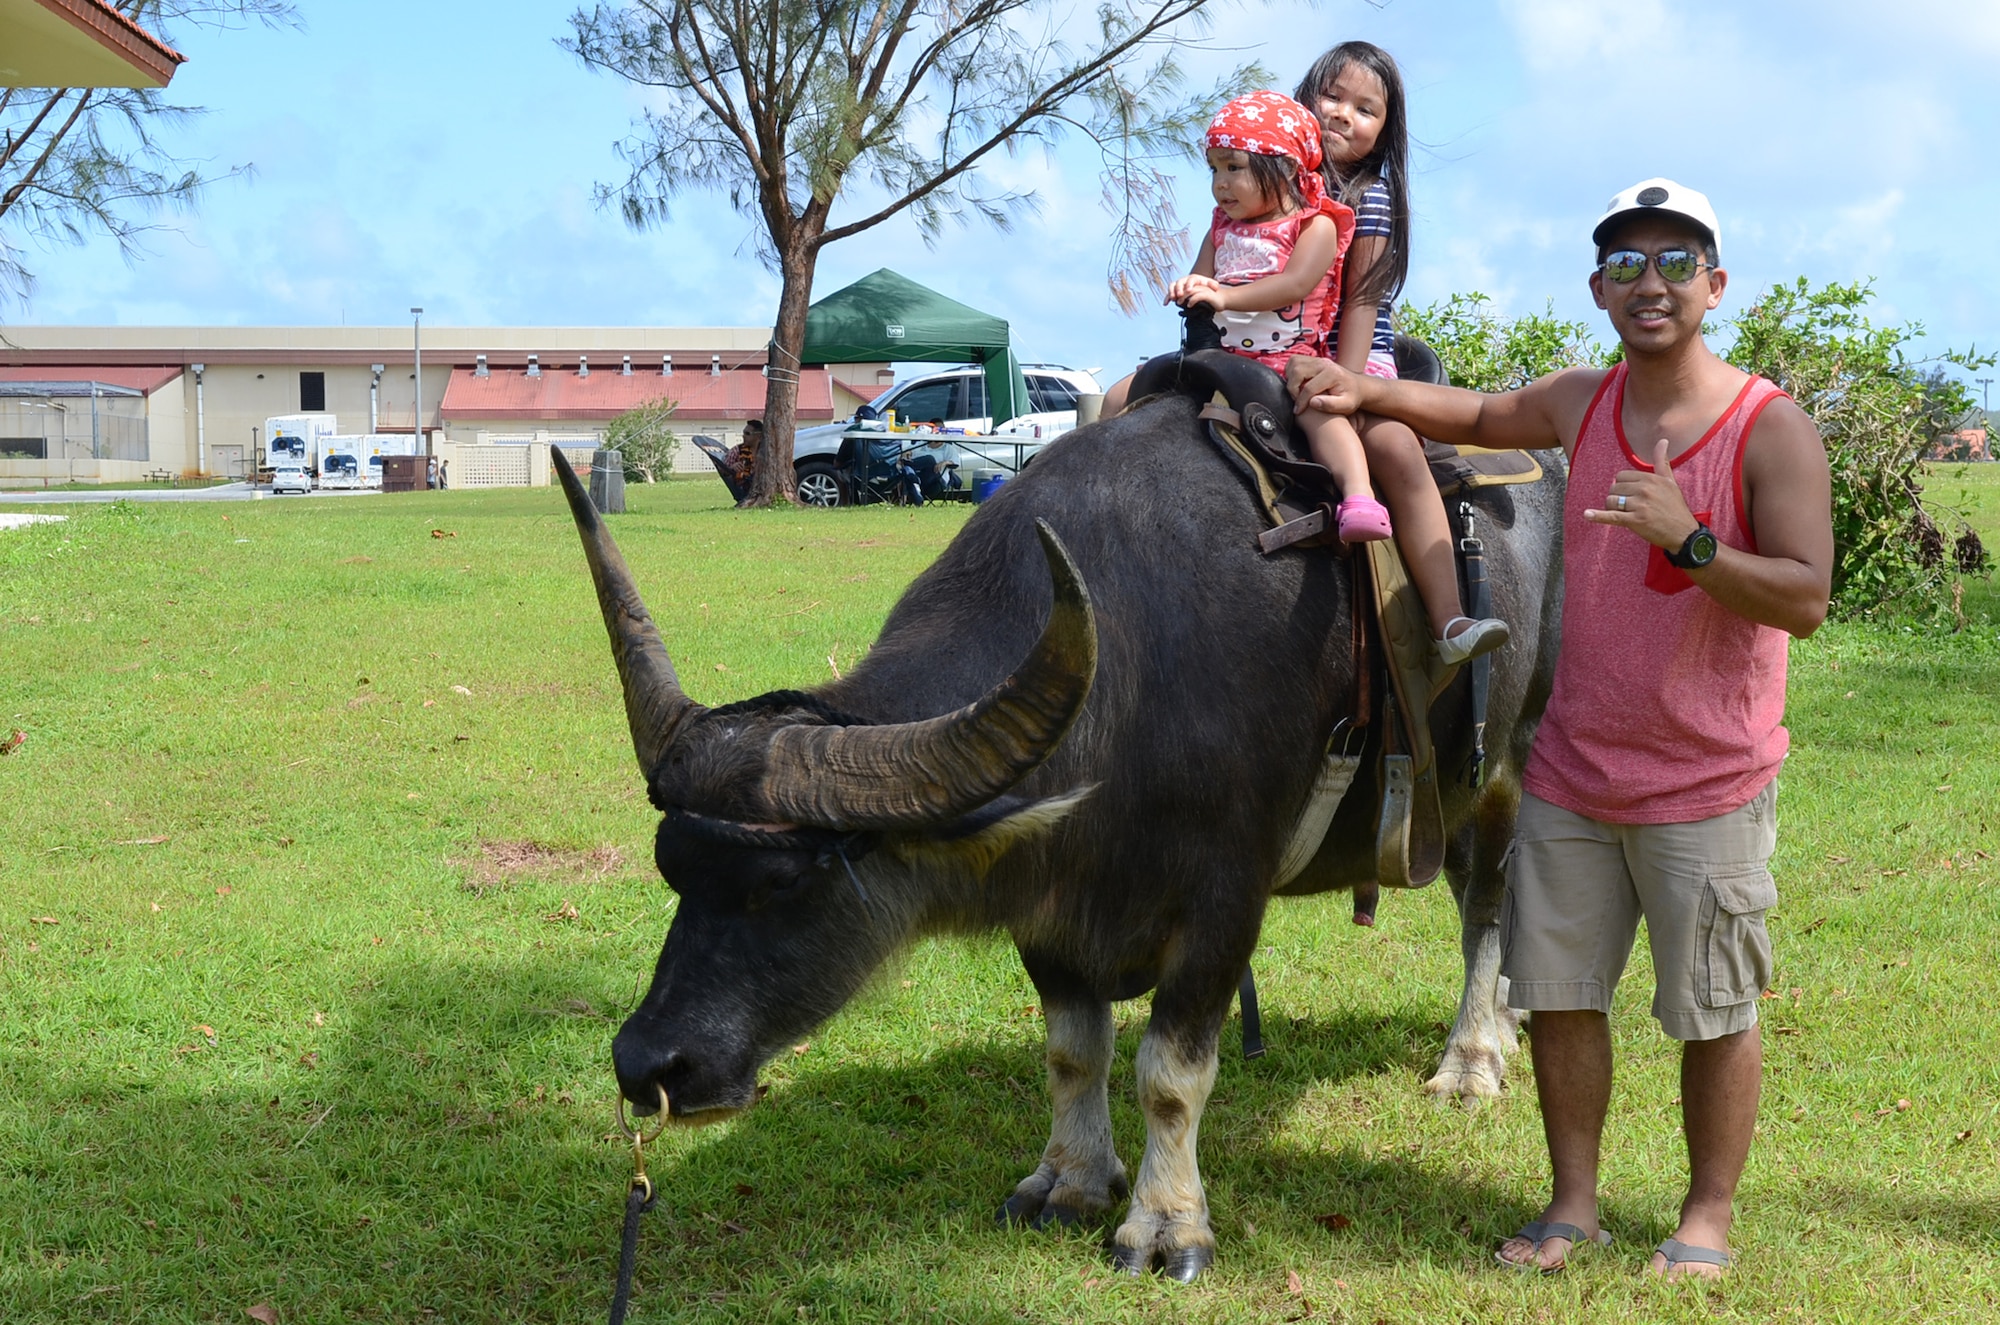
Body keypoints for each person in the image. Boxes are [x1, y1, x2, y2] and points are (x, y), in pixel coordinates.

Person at [1289, 179, 1834, 1279]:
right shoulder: (1583, 401)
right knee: (1559, 995)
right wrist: (1361, 388)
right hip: (1573, 769)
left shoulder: (1765, 427)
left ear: (1714, 285)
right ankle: (1571, 1203)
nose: (1650, 283)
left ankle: (1705, 1219)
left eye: (1675, 263)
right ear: (1596, 288)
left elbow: (1804, 597)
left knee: (1712, 1009)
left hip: (1705, 779)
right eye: (1626, 264)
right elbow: (1484, 416)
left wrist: (1687, 542)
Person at [1295, 41, 1506, 662]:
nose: (1340, 114)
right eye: (1331, 96)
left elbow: (1359, 303)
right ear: (1304, 98)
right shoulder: (1268, 187)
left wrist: (1351, 384)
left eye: (1364, 109)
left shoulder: (1370, 198)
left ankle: (1446, 621)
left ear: (1385, 135)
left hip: (1351, 358)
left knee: (1396, 451)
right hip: (1271, 354)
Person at [1167, 90, 1387, 542]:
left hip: (1287, 357)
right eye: (1214, 169)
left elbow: (1296, 284)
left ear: (1286, 167)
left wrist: (1225, 298)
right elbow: (1201, 276)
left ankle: (1359, 494)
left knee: (1320, 414)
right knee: (1123, 395)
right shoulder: (1220, 227)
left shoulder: (1316, 224)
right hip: (1216, 356)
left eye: (1234, 167)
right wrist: (1190, 287)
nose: (1220, 184)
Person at [725, 419, 764, 507]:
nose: (743, 436)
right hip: (744, 489)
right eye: (743, 433)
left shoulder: (766, 453)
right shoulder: (736, 451)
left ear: (759, 436)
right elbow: (723, 470)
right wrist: (732, 467)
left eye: (747, 434)